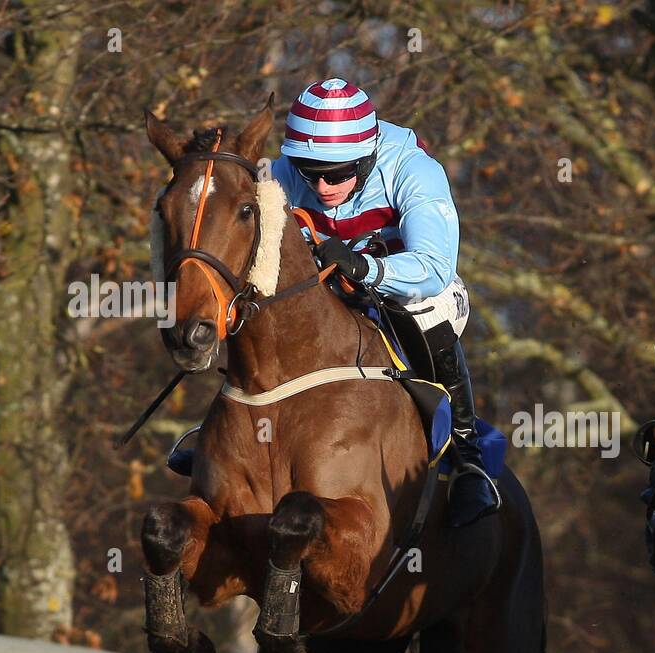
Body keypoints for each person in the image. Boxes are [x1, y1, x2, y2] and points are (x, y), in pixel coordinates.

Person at [170, 78, 499, 528]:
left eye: (339, 174)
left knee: (427, 311)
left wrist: (365, 270)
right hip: (324, 292)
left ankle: (467, 456)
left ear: (367, 158)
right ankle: (225, 432)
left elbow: (434, 266)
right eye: (311, 172)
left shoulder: (414, 169)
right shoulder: (285, 171)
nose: (323, 187)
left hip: (408, 288)